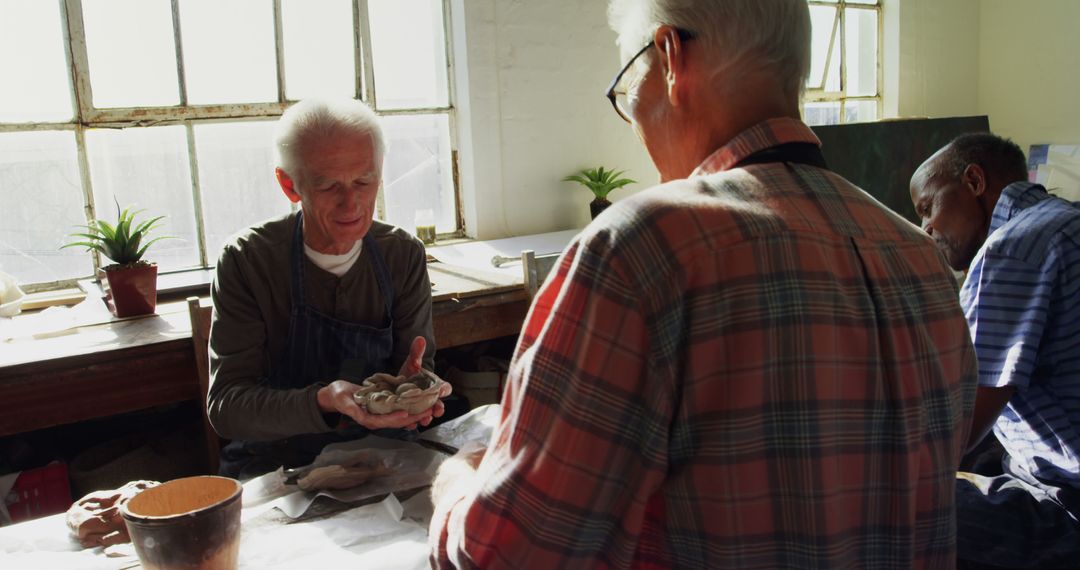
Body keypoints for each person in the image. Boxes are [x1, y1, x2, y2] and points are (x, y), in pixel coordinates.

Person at [428, 1, 977, 567]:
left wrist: (454, 481)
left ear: (669, 56)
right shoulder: (918, 259)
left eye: (624, 87)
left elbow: (505, 555)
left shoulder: (642, 248)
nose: (632, 117)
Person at [207, 98, 450, 480]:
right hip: (276, 463)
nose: (350, 203)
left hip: (382, 454)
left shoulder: (402, 255)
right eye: (328, 186)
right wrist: (325, 400)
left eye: (363, 181)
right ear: (290, 185)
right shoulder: (248, 260)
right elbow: (227, 407)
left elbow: (420, 368)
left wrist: (418, 390)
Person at [910, 133, 1080, 568]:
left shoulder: (1010, 250)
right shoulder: (1064, 220)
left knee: (899, 511)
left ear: (974, 181)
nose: (926, 228)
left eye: (928, 207)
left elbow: (959, 426)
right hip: (1055, 459)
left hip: (1066, 499)